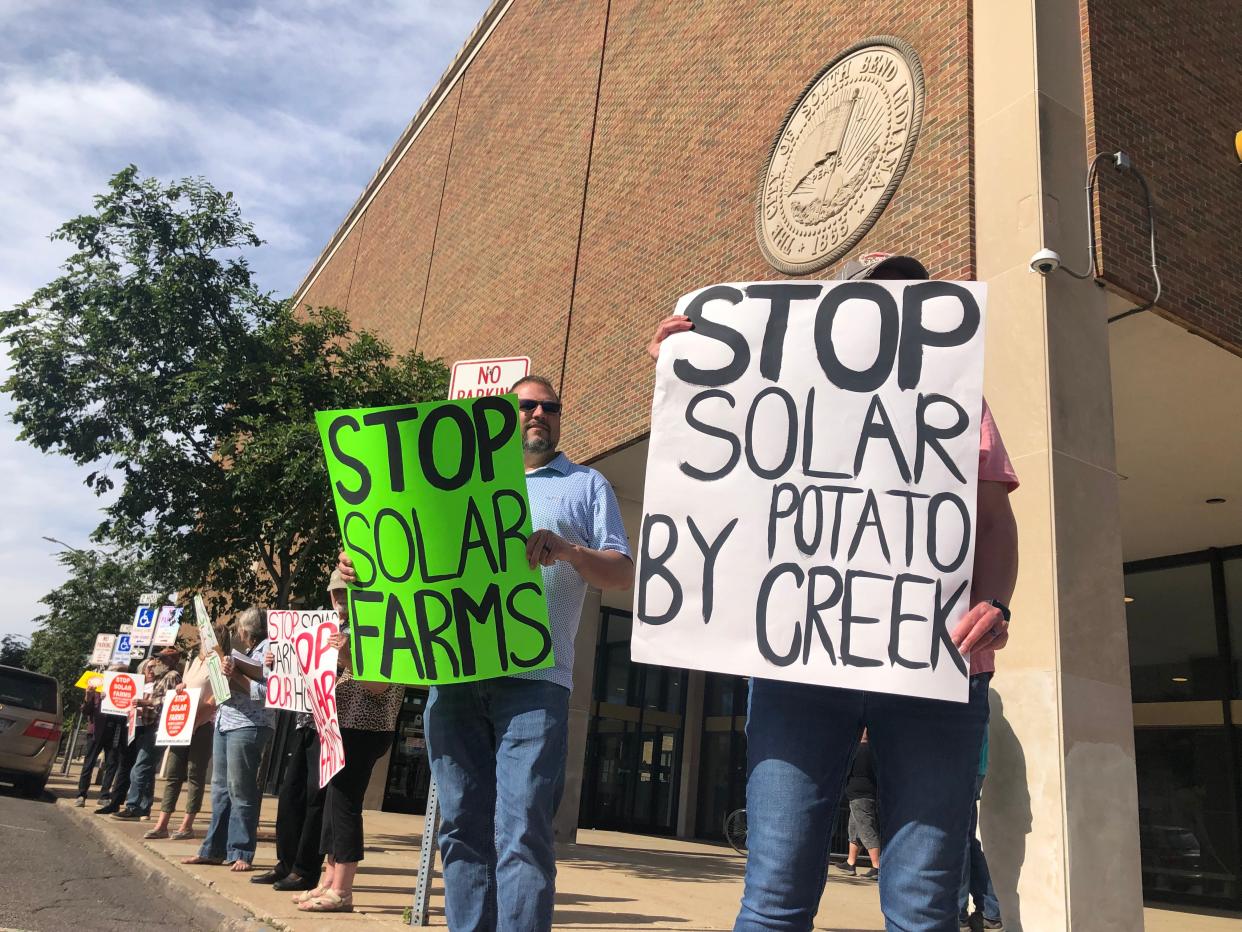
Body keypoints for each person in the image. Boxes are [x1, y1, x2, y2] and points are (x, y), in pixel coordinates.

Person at [646, 254, 1020, 931]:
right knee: (775, 895)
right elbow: (718, 484)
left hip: (937, 664)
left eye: (911, 296)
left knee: (925, 905)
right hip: (801, 665)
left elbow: (993, 519)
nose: (896, 308)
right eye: (876, 297)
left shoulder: (958, 397)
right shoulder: (777, 389)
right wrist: (689, 377)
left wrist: (994, 603)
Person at [336, 374, 634, 930]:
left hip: (537, 681)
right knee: (461, 827)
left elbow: (621, 573)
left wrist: (568, 551)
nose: (538, 414)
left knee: (521, 828)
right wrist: (359, 566)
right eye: (525, 405)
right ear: (503, 414)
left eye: (550, 406)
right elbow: (407, 555)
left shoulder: (586, 484)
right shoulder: (446, 483)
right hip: (454, 680)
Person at [295, 608, 404, 913]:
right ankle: (329, 881)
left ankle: (342, 888)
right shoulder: (357, 628)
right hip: (340, 726)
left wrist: (347, 659)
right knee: (333, 801)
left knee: (345, 803)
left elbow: (379, 685)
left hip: (365, 728)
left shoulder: (389, 632)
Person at [253, 571, 348, 892]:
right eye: (335, 593)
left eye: (345, 593)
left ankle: (305, 870)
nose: (339, 600)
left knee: (315, 799)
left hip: (332, 725)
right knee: (290, 795)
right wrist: (274, 661)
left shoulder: (357, 632)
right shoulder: (316, 625)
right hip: (305, 721)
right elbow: (294, 663)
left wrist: (343, 653)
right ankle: (286, 862)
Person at [183, 607, 274, 871]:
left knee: (240, 789)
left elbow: (269, 692)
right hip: (226, 720)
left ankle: (241, 851)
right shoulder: (246, 653)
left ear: (245, 631)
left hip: (248, 724)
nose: (238, 634)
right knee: (220, 790)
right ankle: (213, 849)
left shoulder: (270, 652)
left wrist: (235, 675)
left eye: (238, 630)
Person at [145, 641, 218, 840]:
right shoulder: (195, 661)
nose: (204, 643)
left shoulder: (219, 662)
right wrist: (181, 688)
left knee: (195, 773)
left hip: (203, 724)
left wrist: (199, 717)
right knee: (173, 772)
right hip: (183, 722)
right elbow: (187, 686)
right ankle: (162, 823)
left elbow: (217, 696)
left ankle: (187, 824)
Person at [113, 647, 183, 821]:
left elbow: (170, 700)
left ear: (172, 661)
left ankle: (133, 806)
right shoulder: (161, 678)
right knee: (147, 767)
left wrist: (147, 702)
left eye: (162, 660)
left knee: (140, 767)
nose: (157, 663)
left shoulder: (172, 676)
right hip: (151, 726)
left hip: (160, 728)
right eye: (158, 659)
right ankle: (144, 806)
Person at [959, 729, 1003, 930]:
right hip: (974, 769)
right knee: (967, 841)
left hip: (962, 768)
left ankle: (958, 915)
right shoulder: (981, 700)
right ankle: (989, 912)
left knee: (958, 842)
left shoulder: (969, 698)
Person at [74, 665, 124, 807]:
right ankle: (81, 795)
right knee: (89, 763)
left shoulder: (122, 692)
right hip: (96, 731)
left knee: (111, 764)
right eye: (113, 673)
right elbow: (86, 711)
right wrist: (88, 697)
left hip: (114, 731)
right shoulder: (97, 690)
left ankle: (104, 795)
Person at [838, 730, 880, 880]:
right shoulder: (875, 752)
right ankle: (851, 862)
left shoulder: (856, 751)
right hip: (865, 793)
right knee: (854, 829)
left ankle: (877, 866)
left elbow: (846, 770)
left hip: (860, 794)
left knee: (866, 829)